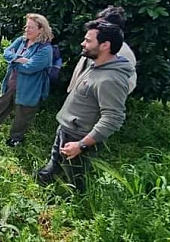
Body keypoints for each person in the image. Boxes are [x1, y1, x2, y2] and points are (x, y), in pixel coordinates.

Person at [36, 20, 133, 192]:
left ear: (105, 45)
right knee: (55, 162)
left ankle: (76, 206)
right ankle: (46, 181)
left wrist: (81, 145)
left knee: (76, 178)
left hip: (79, 136)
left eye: (88, 41)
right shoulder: (96, 64)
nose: (83, 43)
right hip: (67, 129)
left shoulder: (111, 79)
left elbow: (113, 118)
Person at [0, 13, 53, 147]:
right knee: (2, 103)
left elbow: (30, 67)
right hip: (11, 81)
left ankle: (16, 138)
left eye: (31, 27)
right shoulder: (22, 40)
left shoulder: (45, 49)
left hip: (29, 88)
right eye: (26, 27)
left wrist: (13, 60)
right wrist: (19, 59)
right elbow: (6, 52)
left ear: (41, 29)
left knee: (23, 112)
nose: (27, 30)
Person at [67, 6, 137, 94]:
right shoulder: (93, 44)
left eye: (102, 24)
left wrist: (99, 94)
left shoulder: (122, 51)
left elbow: (127, 83)